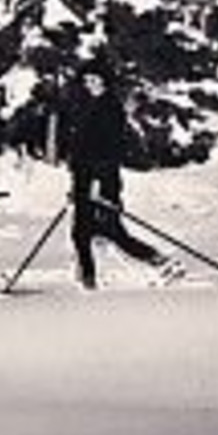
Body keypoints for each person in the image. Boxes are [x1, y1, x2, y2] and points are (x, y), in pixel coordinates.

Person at [60, 64, 179, 289]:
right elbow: (80, 148)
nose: (90, 85)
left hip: (102, 183)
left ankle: (162, 262)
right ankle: (88, 280)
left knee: (113, 233)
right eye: (87, 81)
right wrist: (76, 184)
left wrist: (98, 185)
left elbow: (109, 149)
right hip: (84, 183)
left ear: (104, 83)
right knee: (80, 234)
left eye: (95, 80)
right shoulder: (84, 106)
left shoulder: (110, 108)